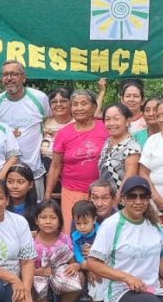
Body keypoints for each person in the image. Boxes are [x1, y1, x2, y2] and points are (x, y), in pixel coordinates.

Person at [46, 89, 108, 229]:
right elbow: (55, 166)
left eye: (84, 103)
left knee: (103, 232)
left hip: (101, 193)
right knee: (73, 232)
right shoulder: (63, 134)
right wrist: (48, 194)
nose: (79, 108)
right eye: (75, 104)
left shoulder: (105, 128)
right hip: (72, 191)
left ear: (93, 107)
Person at [31, 199, 85, 302]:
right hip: (38, 280)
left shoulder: (65, 239)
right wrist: (39, 272)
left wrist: (75, 266)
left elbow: (73, 261)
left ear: (60, 221)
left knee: (80, 277)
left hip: (60, 279)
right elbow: (24, 268)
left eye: (53, 218)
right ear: (36, 220)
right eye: (43, 217)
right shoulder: (30, 239)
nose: (48, 222)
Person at [0, 61, 50, 192]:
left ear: (24, 77)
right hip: (5, 171)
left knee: (35, 210)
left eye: (14, 74)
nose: (9, 78)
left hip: (33, 170)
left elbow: (48, 122)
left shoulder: (39, 98)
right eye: (5, 75)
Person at [71, 201, 103, 302]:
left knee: (96, 287)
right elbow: (77, 252)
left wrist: (93, 265)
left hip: (102, 269)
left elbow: (105, 252)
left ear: (94, 220)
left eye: (85, 223)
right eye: (78, 224)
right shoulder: (76, 236)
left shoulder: (101, 232)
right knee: (91, 293)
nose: (82, 227)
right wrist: (84, 264)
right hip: (86, 268)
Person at [98, 103, 142, 194]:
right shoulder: (108, 142)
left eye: (116, 119)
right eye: (107, 119)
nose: (111, 123)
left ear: (127, 121)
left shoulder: (132, 147)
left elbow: (129, 179)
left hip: (121, 200)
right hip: (104, 199)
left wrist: (117, 200)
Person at [40, 88, 72, 179]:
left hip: (68, 169)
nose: (58, 104)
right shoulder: (43, 122)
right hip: (45, 169)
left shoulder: (77, 123)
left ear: (71, 103)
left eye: (63, 101)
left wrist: (102, 91)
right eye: (54, 102)